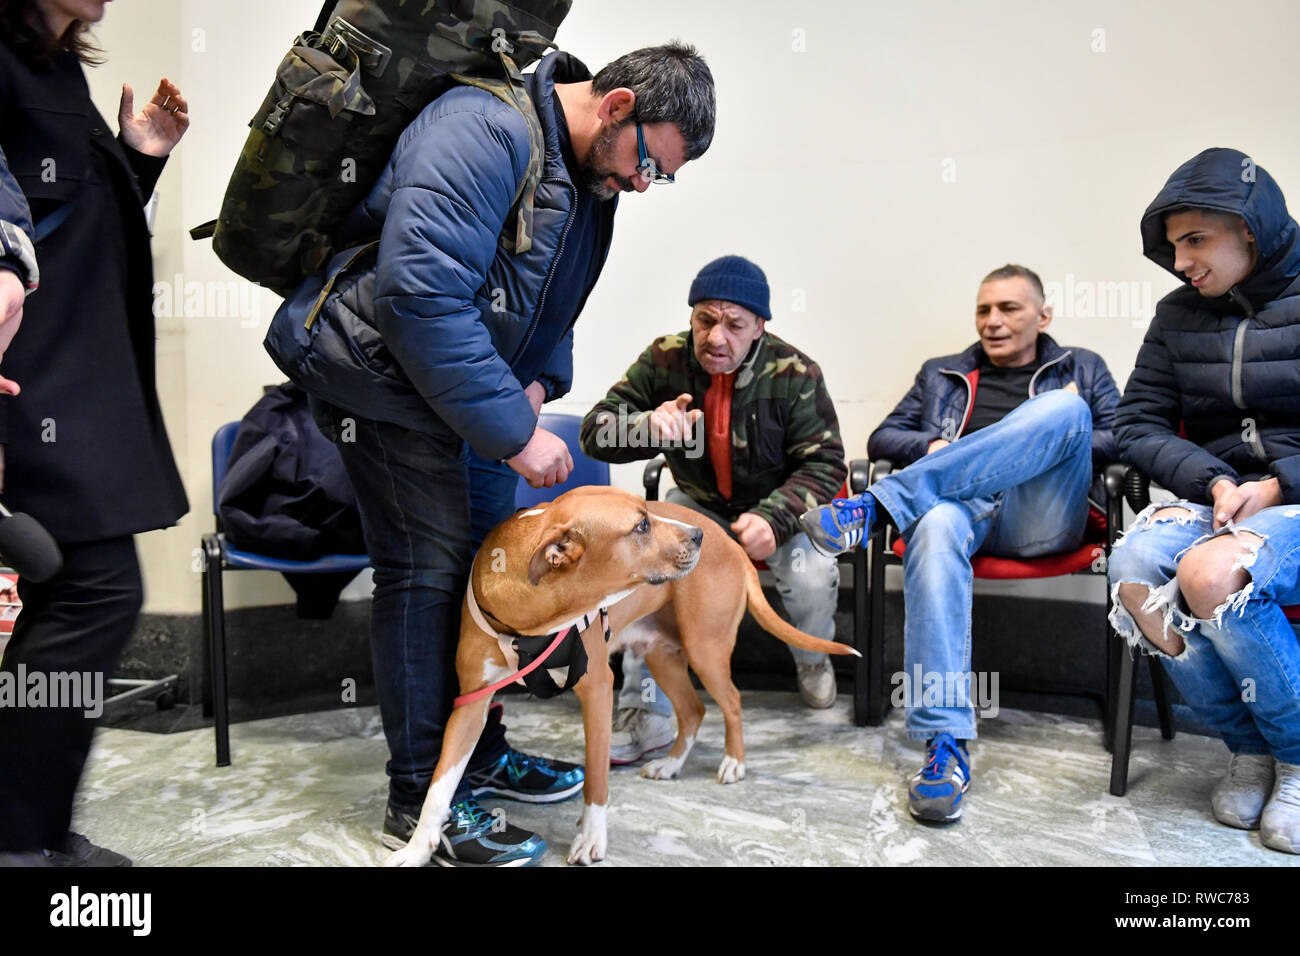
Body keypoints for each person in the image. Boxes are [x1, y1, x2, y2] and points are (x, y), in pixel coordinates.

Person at [265, 42, 715, 866]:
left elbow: (554, 304)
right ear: (615, 105)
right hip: (387, 384)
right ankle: (420, 797)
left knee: (492, 586)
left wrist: (541, 383)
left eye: (665, 176)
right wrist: (514, 430)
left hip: (471, 402)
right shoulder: (483, 128)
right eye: (650, 160)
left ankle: (482, 747)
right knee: (428, 575)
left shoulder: (586, 178)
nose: (647, 183)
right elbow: (421, 294)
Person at [800, 264, 1119, 823]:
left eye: (1008, 309)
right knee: (939, 523)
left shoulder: (1080, 368)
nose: (992, 322)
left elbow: (1126, 438)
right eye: (983, 310)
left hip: (1038, 517)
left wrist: (1047, 434)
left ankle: (876, 507)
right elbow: (884, 436)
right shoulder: (942, 373)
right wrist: (939, 445)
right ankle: (944, 745)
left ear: (1043, 316)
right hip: (960, 511)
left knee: (1067, 410)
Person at [0, 0, 189, 865]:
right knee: (95, 590)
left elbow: (67, 224)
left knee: (82, 590)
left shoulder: (53, 64)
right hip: (29, 379)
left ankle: (25, 831)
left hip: (72, 375)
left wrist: (136, 161)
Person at [1107, 148, 1300, 855]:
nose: (1181, 260)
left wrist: (1278, 482)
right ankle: (1247, 746)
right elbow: (1136, 422)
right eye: (1174, 243)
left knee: (1210, 577)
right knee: (1133, 569)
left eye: (1196, 240)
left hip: (1295, 499)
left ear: (1248, 230)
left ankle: (1299, 756)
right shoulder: (1176, 315)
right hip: (1219, 498)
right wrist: (1216, 481)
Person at [579, 255, 847, 760]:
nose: (716, 338)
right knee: (651, 574)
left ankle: (810, 658)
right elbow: (594, 433)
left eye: (734, 324)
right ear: (691, 318)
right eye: (705, 320)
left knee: (808, 574)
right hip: (697, 503)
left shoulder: (796, 373)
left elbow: (827, 463)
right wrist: (645, 428)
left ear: (760, 327)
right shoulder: (664, 359)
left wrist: (774, 516)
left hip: (778, 507)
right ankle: (648, 708)